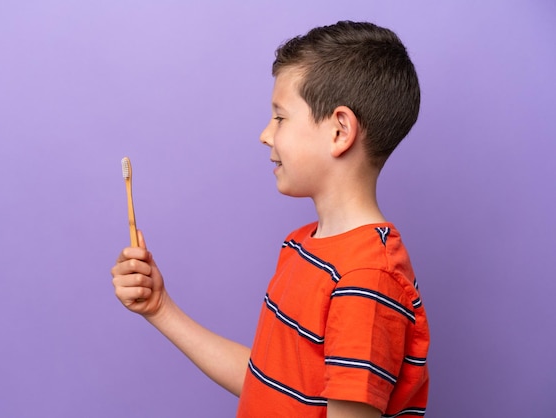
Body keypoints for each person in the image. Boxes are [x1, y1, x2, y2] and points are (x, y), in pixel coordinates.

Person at [111, 20, 429, 418]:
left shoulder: (367, 279)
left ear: (339, 131)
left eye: (280, 117)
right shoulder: (304, 247)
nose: (265, 134)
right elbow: (270, 386)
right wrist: (160, 308)